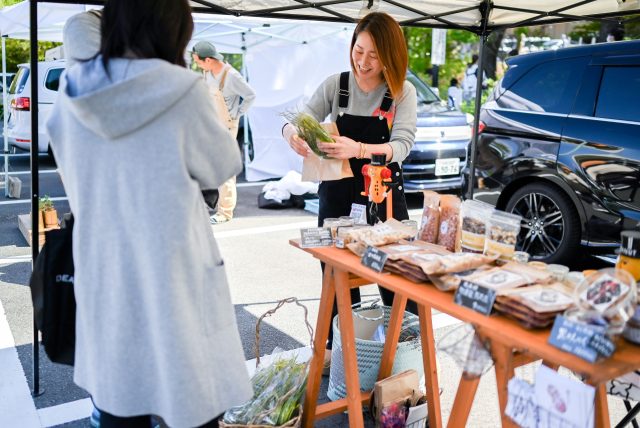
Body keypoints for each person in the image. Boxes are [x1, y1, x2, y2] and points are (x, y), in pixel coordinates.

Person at [47, 1, 252, 427]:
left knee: (121, 404)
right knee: (192, 404)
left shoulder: (70, 94)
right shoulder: (181, 89)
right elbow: (222, 164)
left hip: (105, 270)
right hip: (175, 273)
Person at [282, 11, 417, 367]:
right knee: (338, 276)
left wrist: (357, 149)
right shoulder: (336, 85)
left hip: (383, 195)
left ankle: (404, 357)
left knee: (393, 275)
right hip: (338, 195)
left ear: (391, 55)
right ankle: (338, 357)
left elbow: (402, 145)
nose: (363, 62)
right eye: (359, 50)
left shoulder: (401, 92)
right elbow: (297, 117)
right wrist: (293, 136)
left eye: (374, 55)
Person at [191, 41, 256, 224]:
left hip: (226, 126)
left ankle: (224, 212)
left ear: (209, 60)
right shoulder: (207, 72)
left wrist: (237, 113)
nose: (198, 65)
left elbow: (251, 95)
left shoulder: (231, 76)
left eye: (199, 61)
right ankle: (207, 203)